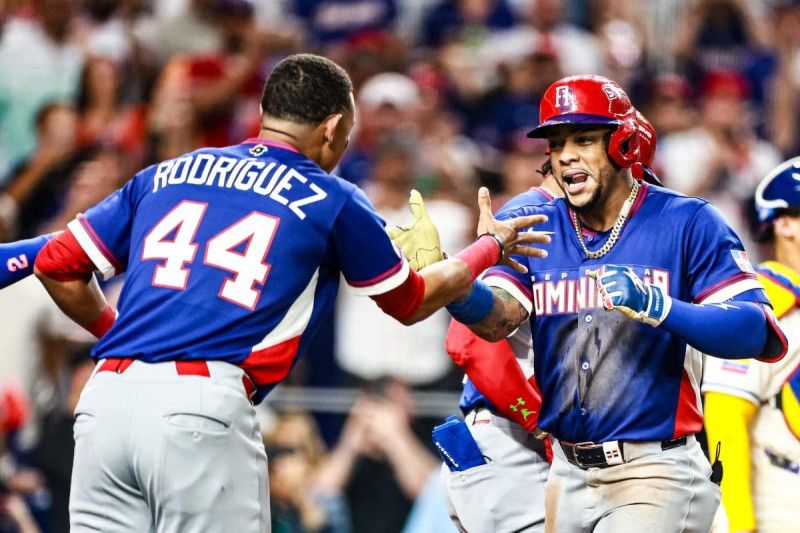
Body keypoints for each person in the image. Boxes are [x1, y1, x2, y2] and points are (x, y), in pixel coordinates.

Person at [30, 53, 549, 532]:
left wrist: (122, 336)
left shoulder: (166, 172)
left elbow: (56, 266)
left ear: (265, 112)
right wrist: (487, 248)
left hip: (105, 400)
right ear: (332, 128)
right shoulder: (331, 196)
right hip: (198, 407)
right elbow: (411, 302)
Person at [400, 74, 787, 532]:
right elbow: (495, 322)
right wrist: (452, 282)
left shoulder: (686, 219)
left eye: (583, 138)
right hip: (563, 468)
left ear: (624, 144)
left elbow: (756, 331)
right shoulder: (535, 221)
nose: (565, 155)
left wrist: (659, 306)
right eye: (556, 143)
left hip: (652, 470)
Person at [391, 110, 660, 533]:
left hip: (525, 452)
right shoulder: (534, 213)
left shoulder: (580, 227)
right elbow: (473, 344)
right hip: (511, 447)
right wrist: (546, 428)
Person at [703, 156, 800, 533]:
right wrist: (739, 526)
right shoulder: (763, 307)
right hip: (779, 510)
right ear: (785, 223)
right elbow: (726, 419)